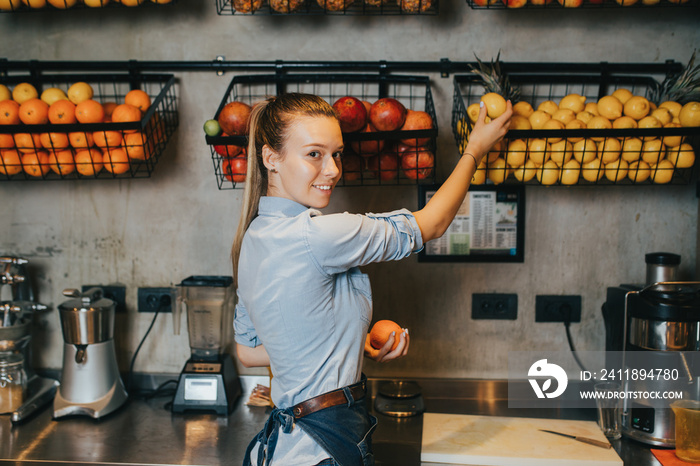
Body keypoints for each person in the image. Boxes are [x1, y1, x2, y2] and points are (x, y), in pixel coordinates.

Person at [232, 92, 512, 466]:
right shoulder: (320, 235)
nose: (332, 169)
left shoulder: (250, 240)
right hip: (323, 454)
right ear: (271, 158)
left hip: (283, 452)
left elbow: (249, 352)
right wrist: (475, 149)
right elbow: (434, 223)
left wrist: (351, 340)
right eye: (314, 154)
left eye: (337, 154)